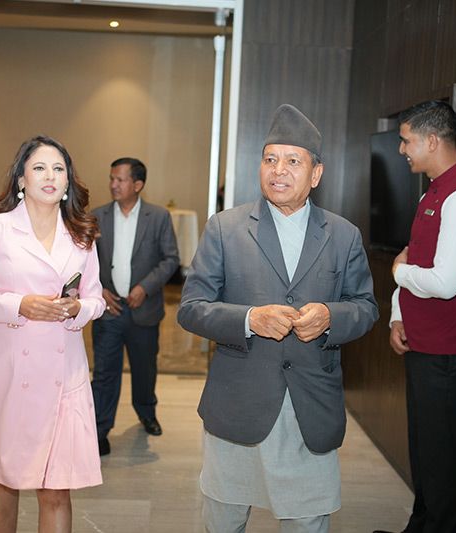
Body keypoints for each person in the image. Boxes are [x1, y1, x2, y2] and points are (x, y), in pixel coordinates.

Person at [178, 104, 379, 532]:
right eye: (270, 159)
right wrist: (249, 319)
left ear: (316, 174)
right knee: (224, 519)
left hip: (309, 407)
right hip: (239, 403)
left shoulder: (343, 235)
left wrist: (330, 316)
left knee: (307, 521)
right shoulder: (225, 228)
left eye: (292, 161)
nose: (278, 170)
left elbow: (365, 307)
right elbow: (191, 307)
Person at [0, 136, 105, 532]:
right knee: (5, 474)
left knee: (57, 489)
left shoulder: (82, 235)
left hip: (64, 376)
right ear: (21, 179)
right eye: (39, 168)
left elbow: (96, 299)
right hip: (8, 372)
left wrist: (78, 309)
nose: (49, 176)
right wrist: (18, 305)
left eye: (58, 169)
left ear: (68, 181)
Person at [373, 101, 456, 533]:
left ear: (431, 140)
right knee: (425, 451)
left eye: (406, 140)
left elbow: (444, 282)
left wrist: (397, 272)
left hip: (453, 350)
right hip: (426, 343)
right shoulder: (433, 192)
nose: (401, 149)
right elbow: (416, 260)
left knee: (443, 459)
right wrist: (397, 315)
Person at [91, 157, 179, 456]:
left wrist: (145, 287)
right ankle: (100, 429)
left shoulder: (158, 217)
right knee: (104, 372)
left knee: (145, 369)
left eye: (120, 180)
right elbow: (83, 260)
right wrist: (98, 290)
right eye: (112, 179)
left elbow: (170, 259)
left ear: (138, 184)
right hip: (109, 309)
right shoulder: (97, 216)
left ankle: (146, 412)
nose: (113, 185)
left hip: (144, 309)